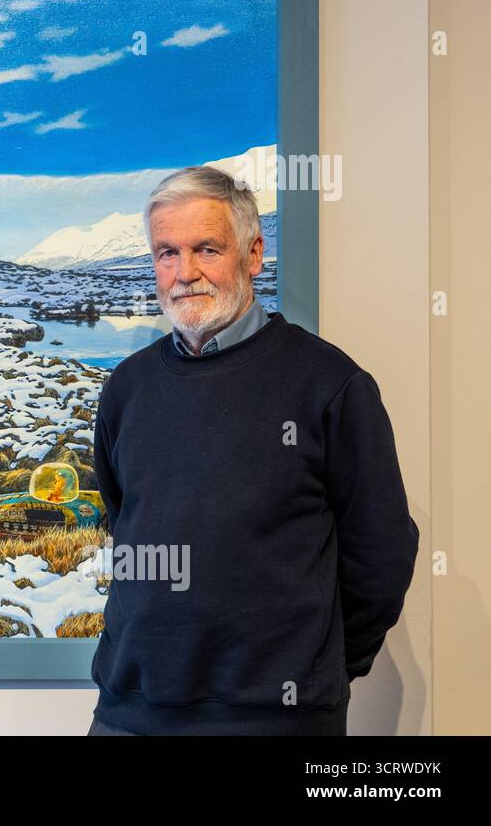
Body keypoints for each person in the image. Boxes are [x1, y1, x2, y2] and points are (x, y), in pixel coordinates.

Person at [86, 165, 419, 736]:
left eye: (206, 249)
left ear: (253, 253)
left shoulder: (329, 384)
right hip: (130, 714)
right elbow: (127, 527)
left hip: (274, 721)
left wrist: (318, 668)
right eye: (166, 253)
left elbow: (382, 554)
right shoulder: (127, 389)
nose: (184, 273)